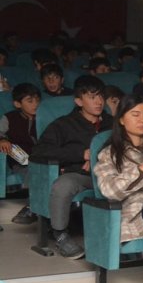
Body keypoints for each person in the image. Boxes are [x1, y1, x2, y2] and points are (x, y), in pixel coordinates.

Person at [93, 96, 143, 283]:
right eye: (135, 115)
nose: (142, 120)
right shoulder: (110, 153)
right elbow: (109, 190)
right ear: (121, 119)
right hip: (138, 211)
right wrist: (142, 169)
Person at [31, 76, 112, 258]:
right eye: (92, 97)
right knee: (63, 185)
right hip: (81, 175)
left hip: (110, 174)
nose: (99, 101)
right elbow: (39, 151)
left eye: (101, 96)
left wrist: (97, 156)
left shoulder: (113, 123)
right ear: (79, 101)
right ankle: (60, 234)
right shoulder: (63, 124)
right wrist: (81, 154)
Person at [0, 83, 40, 225]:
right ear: (17, 104)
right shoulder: (9, 118)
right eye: (30, 101)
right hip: (21, 162)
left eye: (37, 100)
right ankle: (32, 207)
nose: (35, 104)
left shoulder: (44, 117)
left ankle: (31, 208)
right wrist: (2, 139)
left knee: (42, 170)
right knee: (35, 172)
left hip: (43, 159)